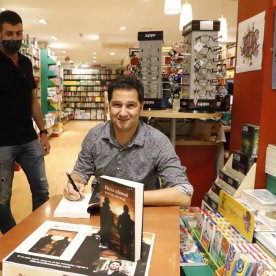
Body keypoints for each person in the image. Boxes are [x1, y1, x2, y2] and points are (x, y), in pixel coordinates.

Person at [63, 76, 193, 206]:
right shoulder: (94, 136)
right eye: (117, 105)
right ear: (108, 107)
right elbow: (80, 173)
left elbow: (184, 194)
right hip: (101, 211)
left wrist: (125, 197)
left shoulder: (157, 141)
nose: (123, 113)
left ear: (141, 107)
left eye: (131, 105)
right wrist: (74, 184)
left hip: (143, 213)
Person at [0, 10, 51, 234]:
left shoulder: (27, 63)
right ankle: (11, 239)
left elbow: (32, 100)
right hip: (0, 143)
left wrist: (43, 131)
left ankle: (38, 234)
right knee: (2, 198)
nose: (15, 37)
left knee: (41, 190)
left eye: (19, 33)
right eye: (9, 33)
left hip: (29, 139)